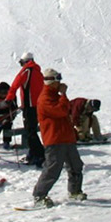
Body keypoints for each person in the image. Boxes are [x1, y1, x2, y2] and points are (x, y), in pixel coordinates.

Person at [31, 69, 86, 207]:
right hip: (54, 139)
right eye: (57, 80)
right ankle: (39, 195)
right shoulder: (45, 98)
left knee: (76, 166)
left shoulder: (55, 96)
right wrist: (63, 95)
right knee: (52, 169)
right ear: (52, 82)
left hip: (66, 137)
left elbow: (66, 109)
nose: (60, 83)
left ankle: (75, 191)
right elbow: (61, 110)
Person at [6, 53, 45, 167]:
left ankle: (39, 154)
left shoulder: (26, 71)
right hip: (38, 105)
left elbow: (16, 83)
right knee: (31, 129)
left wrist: (9, 98)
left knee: (30, 131)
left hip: (29, 106)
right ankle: (33, 153)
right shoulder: (38, 71)